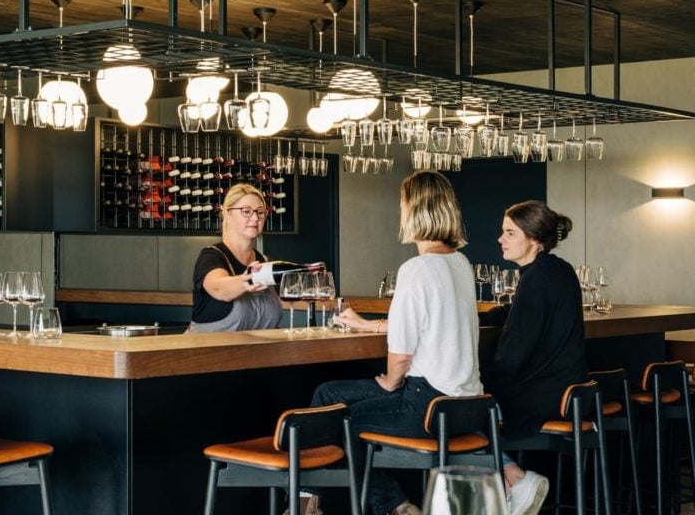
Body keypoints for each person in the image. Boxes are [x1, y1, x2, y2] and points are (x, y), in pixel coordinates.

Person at [306, 171, 481, 515]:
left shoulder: (417, 268)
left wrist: (389, 381)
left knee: (338, 421)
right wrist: (368, 326)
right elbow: (433, 325)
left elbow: (401, 355)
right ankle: (309, 502)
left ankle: (396, 507)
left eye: (402, 204)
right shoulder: (460, 263)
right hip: (465, 404)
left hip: (426, 404)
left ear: (413, 210)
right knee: (327, 394)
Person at [478, 200, 588, 515]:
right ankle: (510, 484)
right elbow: (520, 313)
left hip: (542, 398)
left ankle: (515, 480)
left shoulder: (536, 279)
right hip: (569, 392)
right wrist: (485, 316)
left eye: (510, 233)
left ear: (534, 239)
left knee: (464, 409)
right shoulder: (557, 269)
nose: (500, 239)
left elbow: (513, 355)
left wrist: (480, 386)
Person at [188, 184, 283, 332]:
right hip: (208, 353)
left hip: (255, 354)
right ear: (227, 215)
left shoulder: (264, 261)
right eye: (246, 211)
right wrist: (245, 281)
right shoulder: (211, 256)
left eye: (260, 212)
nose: (255, 218)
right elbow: (219, 288)